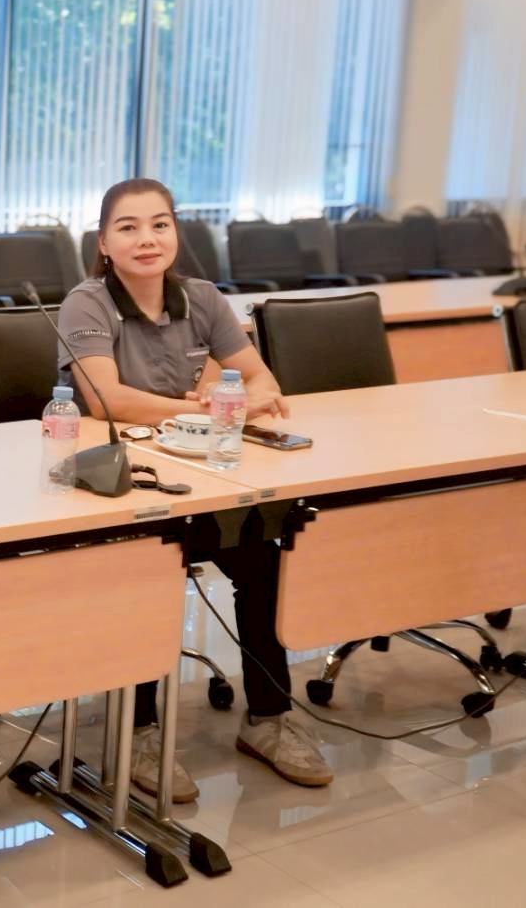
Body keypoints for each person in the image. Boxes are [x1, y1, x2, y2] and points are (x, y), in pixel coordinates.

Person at [57, 177, 333, 801]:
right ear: (103, 242)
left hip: (203, 481)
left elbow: (263, 382)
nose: (147, 238)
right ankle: (140, 732)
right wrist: (207, 409)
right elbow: (108, 399)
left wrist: (239, 394)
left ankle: (268, 719)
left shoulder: (203, 298)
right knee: (149, 568)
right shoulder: (86, 302)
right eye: (128, 227)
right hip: (121, 491)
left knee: (264, 556)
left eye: (160, 224)